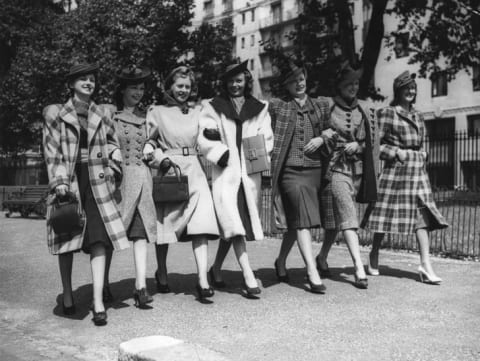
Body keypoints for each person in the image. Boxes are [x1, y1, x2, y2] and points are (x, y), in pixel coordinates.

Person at [43, 62, 129, 326]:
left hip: (97, 181)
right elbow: (51, 149)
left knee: (99, 240)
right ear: (71, 84)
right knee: (67, 238)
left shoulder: (102, 113)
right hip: (69, 180)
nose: (89, 83)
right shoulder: (56, 113)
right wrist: (58, 180)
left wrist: (114, 162)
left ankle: (98, 301)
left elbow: (114, 142)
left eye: (92, 79)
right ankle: (68, 293)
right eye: (83, 79)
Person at [361, 70, 448, 284]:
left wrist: (423, 154)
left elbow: (419, 141)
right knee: (384, 216)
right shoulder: (388, 113)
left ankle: (425, 264)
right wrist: (395, 153)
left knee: (422, 215)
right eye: (406, 88)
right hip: (396, 172)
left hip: (417, 171)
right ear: (398, 90)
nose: (411, 91)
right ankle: (374, 253)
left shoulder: (417, 115)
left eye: (413, 88)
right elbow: (374, 145)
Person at [198, 60, 273, 298]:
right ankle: (248, 275)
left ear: (247, 82)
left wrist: (258, 152)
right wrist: (221, 153)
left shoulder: (259, 108)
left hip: (248, 176)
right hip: (227, 172)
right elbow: (206, 135)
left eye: (239, 80)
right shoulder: (213, 107)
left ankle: (216, 269)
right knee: (235, 224)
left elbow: (266, 136)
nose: (235, 85)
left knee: (234, 226)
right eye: (230, 81)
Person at [145, 66, 219, 300]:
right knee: (165, 226)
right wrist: (159, 159)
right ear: (170, 87)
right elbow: (149, 144)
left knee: (201, 225)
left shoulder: (199, 110)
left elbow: (210, 131)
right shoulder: (156, 112)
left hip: (195, 170)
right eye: (179, 86)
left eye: (187, 86)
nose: (184, 90)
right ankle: (162, 272)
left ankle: (202, 280)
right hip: (171, 170)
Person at [269, 62, 331, 294]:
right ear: (286, 85)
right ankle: (312, 272)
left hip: (315, 170)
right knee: (302, 219)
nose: (300, 82)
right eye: (294, 80)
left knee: (296, 225)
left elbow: (332, 129)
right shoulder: (279, 107)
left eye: (302, 77)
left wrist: (323, 138)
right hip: (290, 172)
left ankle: (281, 260)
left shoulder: (321, 105)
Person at [315, 63, 378, 289]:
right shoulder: (327, 105)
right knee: (349, 218)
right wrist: (324, 134)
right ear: (340, 85)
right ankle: (359, 268)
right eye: (349, 83)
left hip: (357, 172)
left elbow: (369, 143)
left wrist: (358, 146)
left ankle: (321, 258)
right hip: (335, 169)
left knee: (334, 223)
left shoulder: (364, 109)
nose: (353, 87)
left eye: (356, 83)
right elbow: (315, 127)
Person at [109, 65, 157, 308]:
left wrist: (151, 145)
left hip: (142, 180)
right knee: (110, 234)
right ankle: (104, 283)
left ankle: (141, 286)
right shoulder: (111, 116)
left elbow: (157, 139)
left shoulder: (147, 117)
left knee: (140, 234)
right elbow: (103, 140)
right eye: (133, 88)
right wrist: (112, 149)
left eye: (141, 88)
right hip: (118, 181)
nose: (138, 92)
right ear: (123, 89)